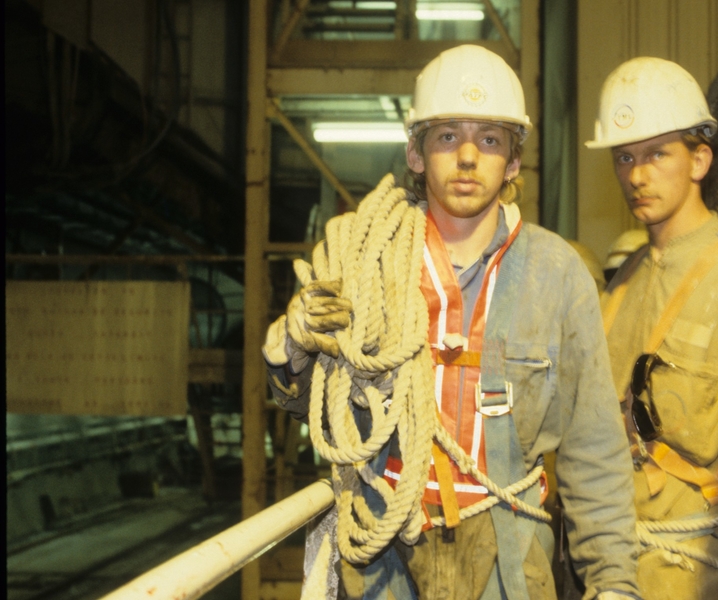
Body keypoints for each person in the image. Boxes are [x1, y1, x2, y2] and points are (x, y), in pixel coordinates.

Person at [263, 45, 642, 600]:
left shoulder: (556, 275)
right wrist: (292, 351)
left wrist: (613, 583)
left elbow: (593, 449)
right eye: (446, 137)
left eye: (489, 140)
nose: (467, 156)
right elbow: (310, 408)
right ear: (416, 155)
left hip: (506, 556)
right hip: (381, 546)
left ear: (513, 161)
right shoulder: (364, 257)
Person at [588, 56, 718, 600]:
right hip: (611, 571)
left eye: (658, 154)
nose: (637, 175)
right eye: (625, 157)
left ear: (699, 159)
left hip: (693, 575)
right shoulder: (622, 287)